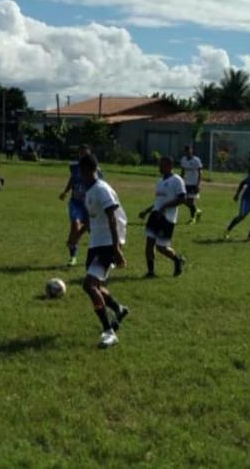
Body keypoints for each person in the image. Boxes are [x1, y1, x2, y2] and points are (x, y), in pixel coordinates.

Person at [79, 153, 129, 349]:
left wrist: (116, 247)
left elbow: (112, 218)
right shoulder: (90, 191)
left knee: (89, 285)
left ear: (85, 170)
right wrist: (77, 236)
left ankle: (109, 332)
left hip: (107, 242)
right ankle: (119, 309)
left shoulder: (102, 189)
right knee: (95, 286)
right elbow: (92, 219)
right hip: (96, 242)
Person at [138, 156, 187, 277]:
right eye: (159, 165)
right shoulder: (160, 181)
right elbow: (158, 201)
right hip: (155, 215)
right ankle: (150, 271)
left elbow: (182, 199)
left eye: (162, 165)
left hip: (167, 218)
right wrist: (147, 211)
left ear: (170, 166)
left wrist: (165, 207)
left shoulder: (177, 180)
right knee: (149, 243)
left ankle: (177, 259)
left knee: (161, 247)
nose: (159, 167)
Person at [59, 144, 97, 266]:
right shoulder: (75, 168)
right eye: (81, 154)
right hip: (76, 203)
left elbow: (99, 184)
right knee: (75, 225)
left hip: (90, 205)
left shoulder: (95, 169)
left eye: (85, 154)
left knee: (94, 231)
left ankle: (103, 255)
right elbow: (72, 180)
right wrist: (65, 191)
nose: (82, 156)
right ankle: (73, 256)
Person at [180, 145, 203, 223]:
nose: (188, 153)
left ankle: (192, 218)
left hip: (194, 184)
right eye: (186, 151)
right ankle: (198, 211)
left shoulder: (196, 160)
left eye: (189, 151)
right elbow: (182, 172)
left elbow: (200, 173)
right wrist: (180, 181)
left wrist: (198, 184)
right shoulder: (183, 160)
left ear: (191, 151)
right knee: (182, 200)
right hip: (186, 183)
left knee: (191, 201)